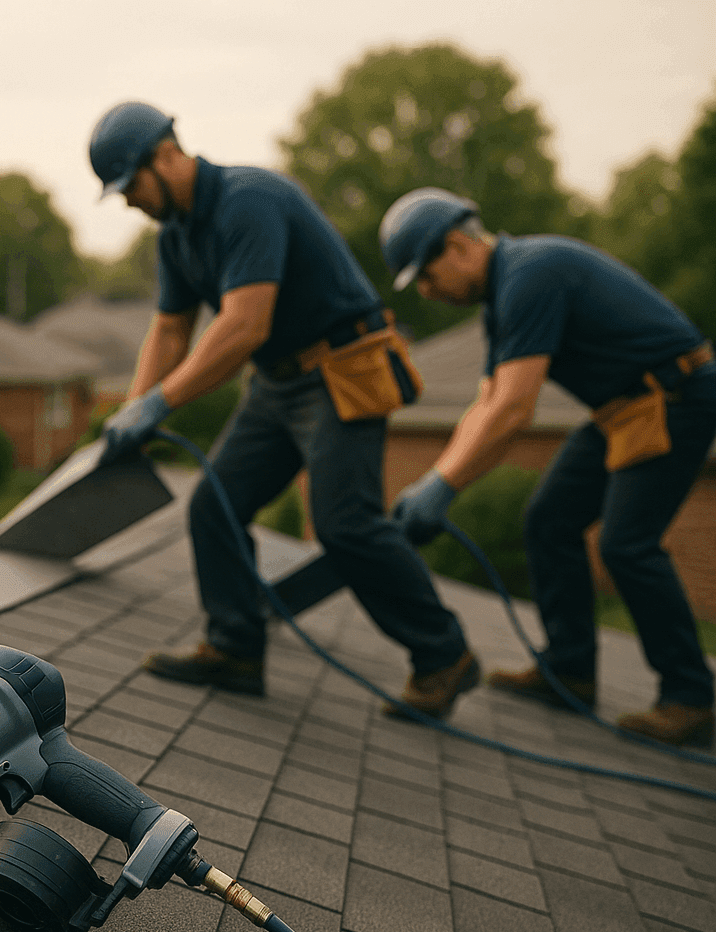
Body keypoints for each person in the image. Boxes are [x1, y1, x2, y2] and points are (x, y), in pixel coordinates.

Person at [88, 102, 476, 715]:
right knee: (215, 503)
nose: (129, 201)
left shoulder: (249, 200)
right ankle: (235, 648)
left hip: (342, 367)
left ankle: (444, 654)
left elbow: (244, 325)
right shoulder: (176, 238)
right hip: (278, 380)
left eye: (131, 185)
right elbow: (168, 332)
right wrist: (133, 410)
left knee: (344, 523)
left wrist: (160, 402)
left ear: (166, 156)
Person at [382, 187, 716, 746]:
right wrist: (434, 479)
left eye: (427, 274)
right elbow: (487, 402)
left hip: (675, 397)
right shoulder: (504, 294)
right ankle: (571, 669)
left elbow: (515, 409)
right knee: (550, 520)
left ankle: (691, 696)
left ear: (459, 245)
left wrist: (444, 485)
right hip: (621, 407)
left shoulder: (531, 273)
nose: (426, 291)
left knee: (627, 545)